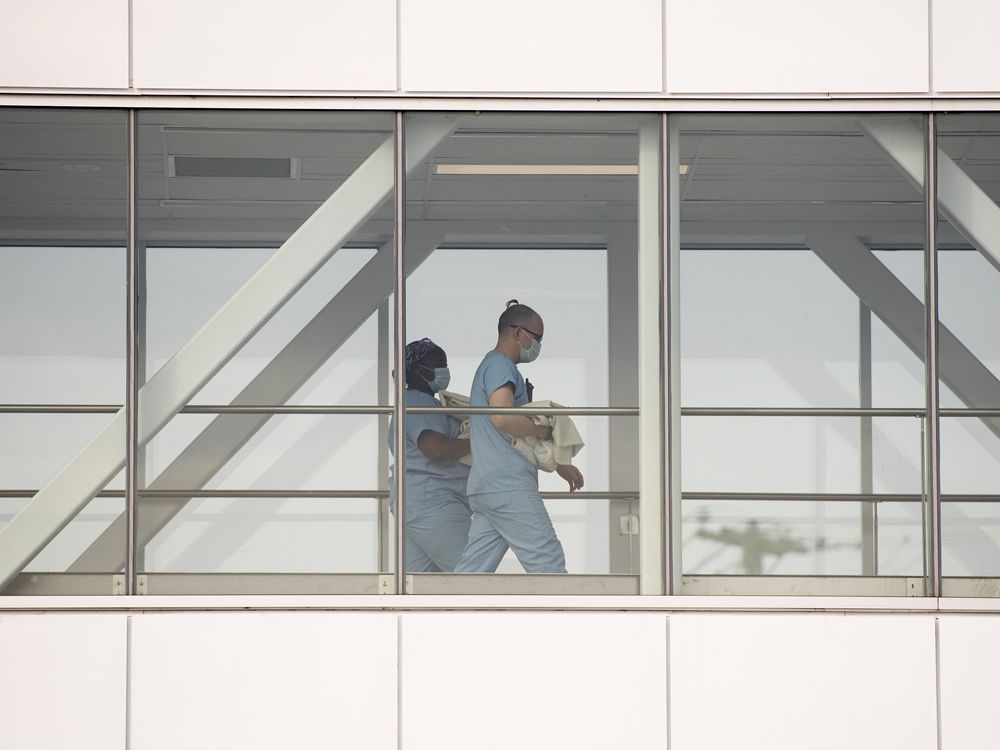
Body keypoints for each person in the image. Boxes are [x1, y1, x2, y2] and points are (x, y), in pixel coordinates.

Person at [454, 300, 584, 574]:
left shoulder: (490, 367)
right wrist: (542, 429)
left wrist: (558, 464)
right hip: (508, 485)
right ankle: (563, 617)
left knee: (470, 575)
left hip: (487, 485)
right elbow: (502, 418)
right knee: (548, 564)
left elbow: (509, 433)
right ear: (517, 333)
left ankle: (442, 616)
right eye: (537, 338)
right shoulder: (501, 366)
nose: (538, 345)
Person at [388, 338, 472, 572]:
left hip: (416, 505)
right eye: (438, 365)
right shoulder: (417, 403)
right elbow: (436, 449)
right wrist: (480, 442)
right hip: (434, 505)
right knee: (474, 579)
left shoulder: (415, 403)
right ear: (416, 370)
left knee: (419, 589)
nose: (443, 371)